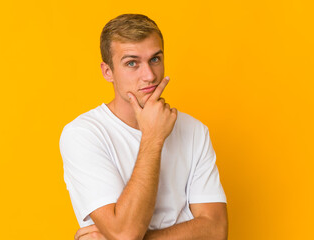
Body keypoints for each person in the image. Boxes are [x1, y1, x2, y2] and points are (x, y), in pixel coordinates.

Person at [59, 14, 228, 240]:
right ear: (107, 72)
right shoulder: (83, 135)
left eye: (155, 59)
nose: (149, 75)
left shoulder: (194, 130)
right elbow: (125, 233)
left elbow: (216, 230)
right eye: (132, 63)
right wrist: (153, 138)